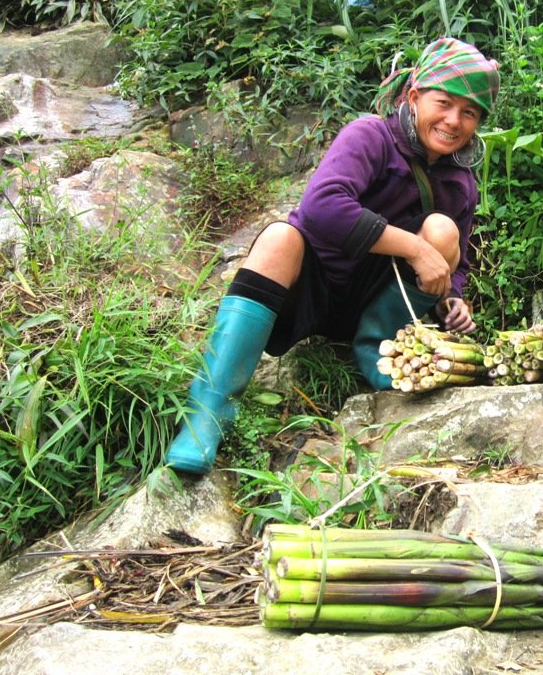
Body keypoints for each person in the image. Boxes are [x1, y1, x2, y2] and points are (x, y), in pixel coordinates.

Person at [164, 37, 500, 475]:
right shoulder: (371, 136)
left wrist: (453, 298)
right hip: (314, 289)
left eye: (469, 112)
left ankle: (377, 352)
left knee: (442, 228)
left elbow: (458, 264)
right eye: (444, 103)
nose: (454, 120)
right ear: (415, 98)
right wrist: (414, 248)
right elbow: (321, 208)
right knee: (280, 237)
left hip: (380, 304)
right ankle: (208, 410)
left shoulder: (461, 184)